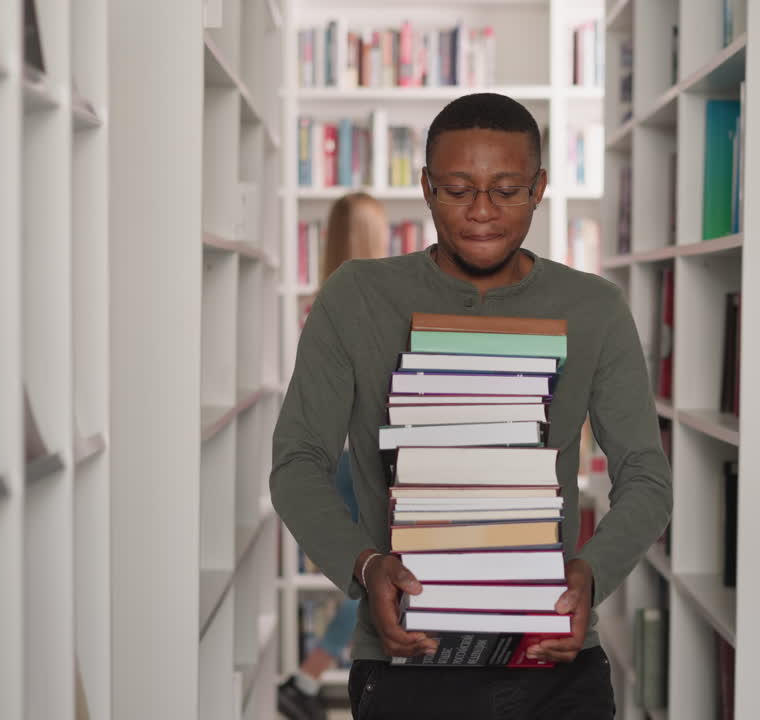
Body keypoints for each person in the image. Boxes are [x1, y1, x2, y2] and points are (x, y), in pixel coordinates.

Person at [270, 93, 672, 720]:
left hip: (555, 665)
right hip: (405, 663)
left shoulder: (595, 308)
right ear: (426, 187)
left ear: (540, 187)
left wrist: (591, 575)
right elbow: (297, 461)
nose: (482, 212)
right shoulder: (356, 297)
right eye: (458, 190)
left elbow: (647, 475)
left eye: (507, 191)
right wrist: (366, 565)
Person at [278, 192, 390, 720]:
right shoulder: (378, 305)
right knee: (372, 581)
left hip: (332, 455)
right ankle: (307, 678)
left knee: (362, 577)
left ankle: (308, 677)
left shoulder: (319, 306)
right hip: (364, 457)